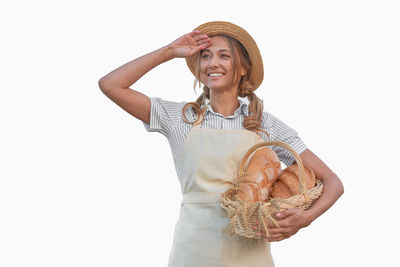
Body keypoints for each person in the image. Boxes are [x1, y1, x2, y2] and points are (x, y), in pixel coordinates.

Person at [98, 21, 344, 267]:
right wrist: (169, 52)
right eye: (205, 56)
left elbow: (333, 182)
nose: (212, 63)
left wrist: (306, 217)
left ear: (244, 68)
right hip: (192, 255)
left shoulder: (265, 124)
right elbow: (110, 85)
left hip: (251, 256)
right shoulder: (180, 118)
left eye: (224, 56)